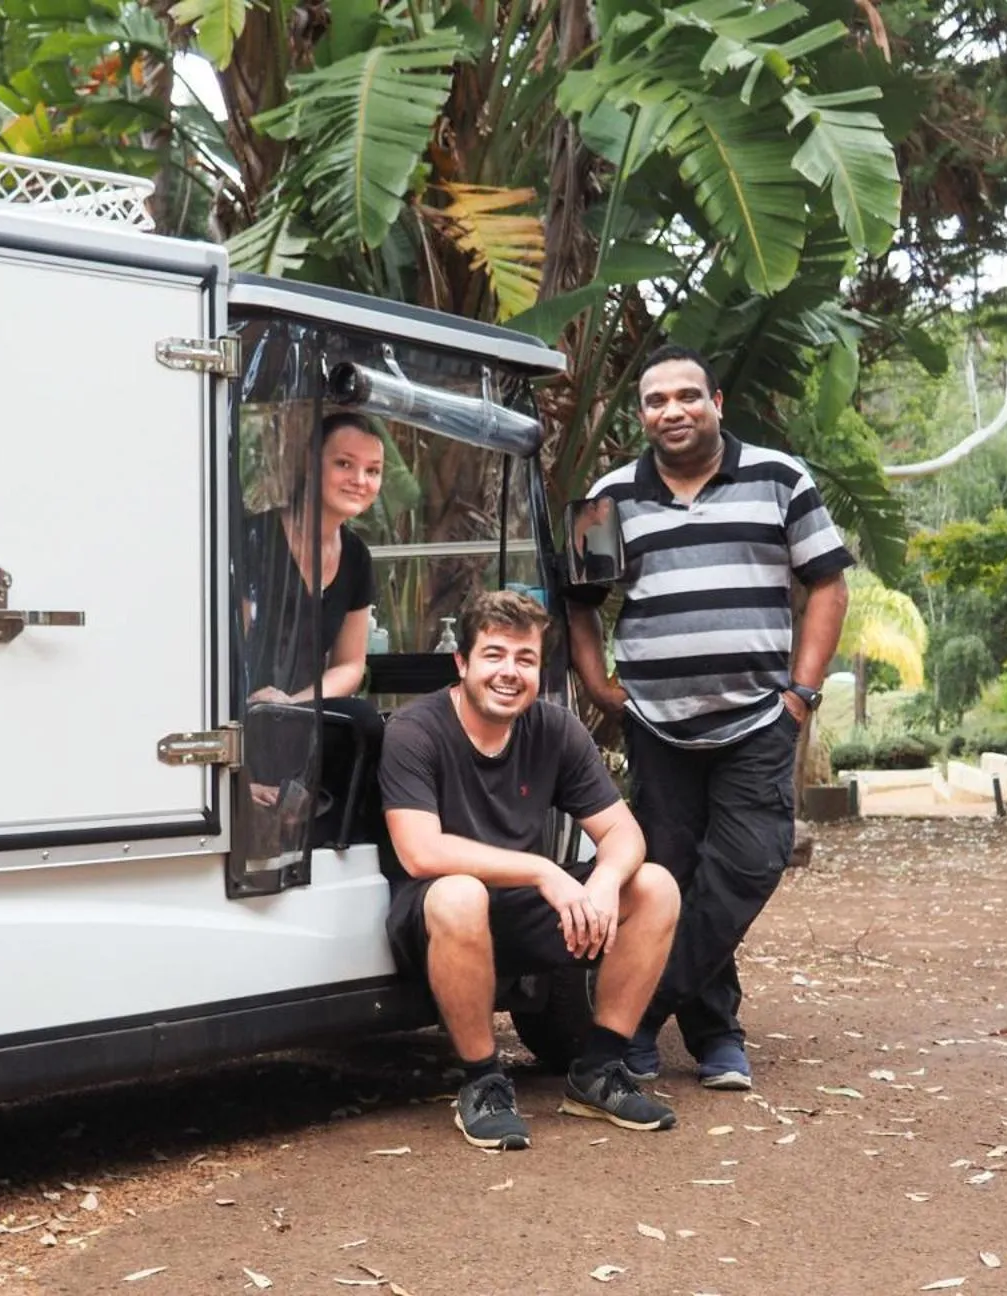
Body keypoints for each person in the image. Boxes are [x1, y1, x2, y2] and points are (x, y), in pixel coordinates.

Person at [567, 345, 852, 1092]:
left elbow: (826, 585)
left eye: (688, 396)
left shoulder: (779, 478)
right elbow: (579, 603)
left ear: (717, 402)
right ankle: (719, 1035)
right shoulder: (608, 497)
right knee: (673, 874)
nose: (673, 411)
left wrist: (801, 694)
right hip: (657, 725)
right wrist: (598, 683)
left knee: (752, 862)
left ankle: (631, 1016)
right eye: (657, 400)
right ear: (642, 415)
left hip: (761, 718)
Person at [380, 590, 681, 1150]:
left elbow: (623, 833)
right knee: (460, 893)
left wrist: (603, 883)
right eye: (494, 655)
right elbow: (420, 852)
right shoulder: (414, 730)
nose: (509, 673)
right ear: (462, 663)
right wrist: (544, 872)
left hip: (520, 910)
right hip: (433, 916)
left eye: (525, 659)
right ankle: (483, 1082)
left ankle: (598, 1070)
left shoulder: (554, 728)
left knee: (655, 887)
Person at [240, 412, 388, 842]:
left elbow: (349, 665)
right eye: (344, 463)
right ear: (311, 464)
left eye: (373, 471)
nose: (360, 479)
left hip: (296, 712)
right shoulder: (256, 539)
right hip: (241, 709)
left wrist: (293, 702)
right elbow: (227, 649)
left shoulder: (357, 556)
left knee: (364, 724)